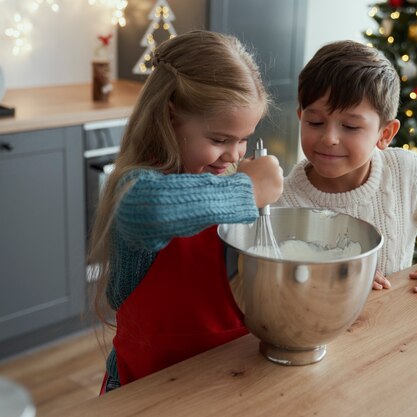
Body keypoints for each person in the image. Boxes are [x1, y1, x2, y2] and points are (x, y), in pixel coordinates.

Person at [88, 30, 283, 393]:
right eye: (220, 139)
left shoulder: (229, 182)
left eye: (243, 139)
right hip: (144, 390)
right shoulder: (136, 184)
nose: (235, 155)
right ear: (170, 117)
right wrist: (249, 189)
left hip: (226, 382)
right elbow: (149, 210)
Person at [277, 40, 417, 299]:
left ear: (385, 133)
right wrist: (331, 279)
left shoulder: (404, 172)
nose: (329, 138)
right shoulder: (281, 201)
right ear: (301, 117)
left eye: (351, 127)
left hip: (394, 327)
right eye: (315, 122)